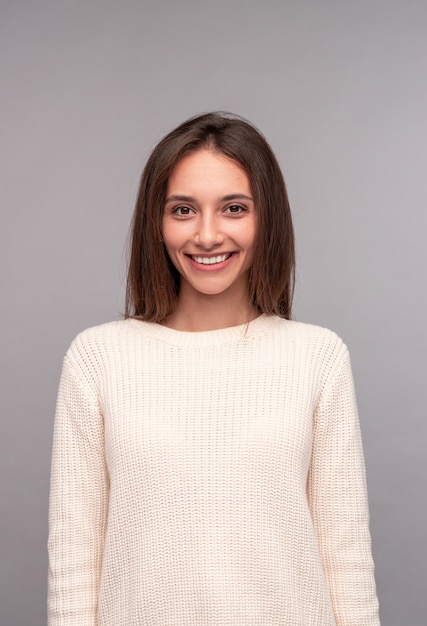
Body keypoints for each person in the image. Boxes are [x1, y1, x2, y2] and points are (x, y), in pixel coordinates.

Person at [48, 112, 381, 625]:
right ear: (155, 224)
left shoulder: (318, 357)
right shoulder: (98, 359)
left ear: (266, 218)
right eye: (183, 209)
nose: (207, 235)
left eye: (233, 208)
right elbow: (73, 568)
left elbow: (347, 564)